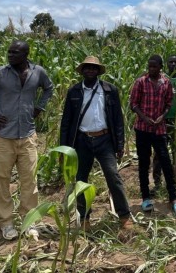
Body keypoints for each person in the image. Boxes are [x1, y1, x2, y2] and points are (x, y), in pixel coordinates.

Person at [0, 40, 54, 240]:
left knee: (30, 181)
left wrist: (40, 107)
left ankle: (29, 221)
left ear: (26, 54)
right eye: (9, 52)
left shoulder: (38, 72)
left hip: (28, 136)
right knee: (1, 181)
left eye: (15, 52)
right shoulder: (0, 73)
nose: (10, 55)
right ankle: (6, 223)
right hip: (4, 138)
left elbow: (49, 88)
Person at [59, 56, 132, 230]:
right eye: (87, 68)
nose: (90, 70)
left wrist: (120, 144)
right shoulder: (74, 92)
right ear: (82, 70)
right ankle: (84, 219)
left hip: (104, 140)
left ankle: (124, 216)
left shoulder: (109, 90)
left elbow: (117, 119)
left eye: (94, 68)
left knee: (113, 176)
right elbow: (66, 123)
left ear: (98, 71)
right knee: (80, 180)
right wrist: (64, 149)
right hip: (82, 140)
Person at [129, 54, 176, 217]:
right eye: (150, 66)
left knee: (166, 162)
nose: (151, 69)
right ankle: (146, 198)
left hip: (159, 129)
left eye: (155, 66)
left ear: (161, 67)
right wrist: (144, 117)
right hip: (142, 129)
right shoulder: (141, 82)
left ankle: (173, 199)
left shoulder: (166, 83)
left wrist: (163, 116)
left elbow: (169, 103)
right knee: (144, 163)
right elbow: (133, 104)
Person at [152, 55, 176, 192]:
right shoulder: (161, 80)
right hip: (162, 120)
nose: (173, 64)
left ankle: (175, 180)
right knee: (159, 151)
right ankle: (157, 183)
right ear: (166, 64)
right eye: (171, 62)